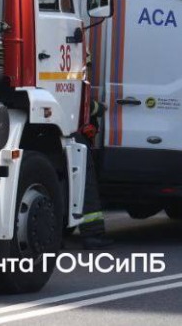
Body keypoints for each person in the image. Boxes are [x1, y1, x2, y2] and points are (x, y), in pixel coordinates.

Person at [75, 96, 114, 250]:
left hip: (63, 134)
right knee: (86, 185)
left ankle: (58, 237)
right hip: (75, 136)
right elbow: (83, 103)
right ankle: (93, 234)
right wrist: (102, 107)